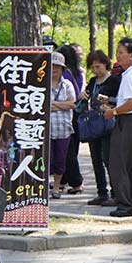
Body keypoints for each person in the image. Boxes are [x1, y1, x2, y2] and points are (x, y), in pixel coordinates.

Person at [103, 37, 132, 217]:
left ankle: (125, 204)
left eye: (121, 53)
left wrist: (113, 112)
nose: (118, 56)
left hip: (128, 122)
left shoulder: (130, 75)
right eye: (117, 52)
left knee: (118, 164)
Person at [82, 50, 121, 206]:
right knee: (95, 159)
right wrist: (83, 96)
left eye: (98, 66)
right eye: (93, 67)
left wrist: (108, 101)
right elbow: (87, 97)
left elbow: (120, 100)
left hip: (107, 122)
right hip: (93, 123)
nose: (96, 70)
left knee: (108, 159)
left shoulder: (114, 81)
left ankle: (116, 192)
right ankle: (101, 192)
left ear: (105, 64)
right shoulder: (92, 81)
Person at [48, 52, 77, 200]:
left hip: (63, 129)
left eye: (57, 67)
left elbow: (73, 103)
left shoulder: (67, 84)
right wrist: (62, 105)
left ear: (62, 68)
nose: (54, 69)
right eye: (52, 66)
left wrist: (53, 105)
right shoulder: (41, 84)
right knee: (47, 160)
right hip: (45, 130)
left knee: (60, 159)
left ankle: (57, 187)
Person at [57, 44, 83, 194]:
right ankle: (65, 179)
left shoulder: (65, 75)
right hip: (76, 115)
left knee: (68, 150)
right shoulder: (77, 72)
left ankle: (76, 181)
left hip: (68, 115)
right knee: (70, 149)